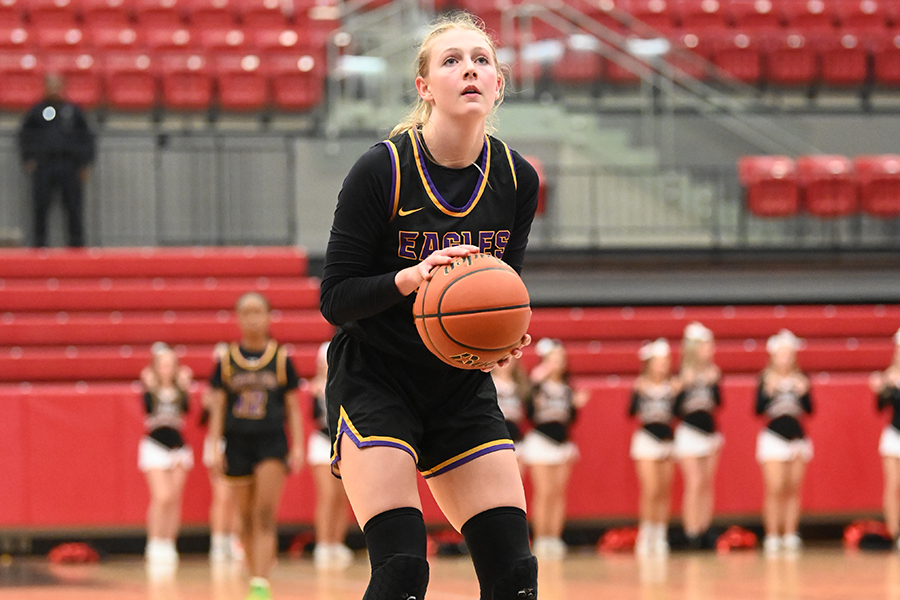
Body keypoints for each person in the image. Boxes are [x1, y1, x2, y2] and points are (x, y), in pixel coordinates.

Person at [319, 11, 540, 600]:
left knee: (515, 577)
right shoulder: (382, 169)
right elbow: (334, 299)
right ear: (424, 87)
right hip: (376, 378)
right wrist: (409, 278)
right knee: (402, 574)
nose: (469, 69)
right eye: (451, 60)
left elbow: (500, 286)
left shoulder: (517, 179)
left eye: (481, 60)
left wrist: (506, 332)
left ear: (498, 84)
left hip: (458, 382)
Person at [206, 292, 304, 600]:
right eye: (245, 312)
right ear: (237, 318)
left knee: (264, 513)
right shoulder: (226, 360)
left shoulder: (280, 358)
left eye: (257, 312)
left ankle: (261, 581)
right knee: (245, 516)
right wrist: (213, 445)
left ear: (268, 316)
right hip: (236, 441)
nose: (252, 318)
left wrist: (298, 445)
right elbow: (219, 407)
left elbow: (293, 407)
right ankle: (254, 576)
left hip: (271, 440)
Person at [518, 338, 588, 560]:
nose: (558, 364)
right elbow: (527, 412)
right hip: (540, 442)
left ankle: (555, 538)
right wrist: (535, 385)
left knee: (558, 494)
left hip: (562, 444)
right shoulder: (537, 386)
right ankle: (541, 538)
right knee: (544, 493)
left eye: (561, 360)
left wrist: (576, 405)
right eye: (553, 360)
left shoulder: (567, 389)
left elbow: (570, 419)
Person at [17, 73, 95, 248]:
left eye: (57, 86)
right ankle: (40, 247)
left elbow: (87, 137)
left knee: (73, 208)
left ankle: (77, 248)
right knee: (41, 207)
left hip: (69, 166)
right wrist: (28, 158)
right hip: (44, 166)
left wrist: (85, 163)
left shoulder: (73, 111)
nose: (54, 90)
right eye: (50, 86)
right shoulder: (36, 112)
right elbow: (24, 136)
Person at [756, 329, 813, 556]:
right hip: (773, 438)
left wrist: (804, 392)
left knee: (793, 489)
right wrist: (767, 392)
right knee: (775, 488)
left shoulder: (801, 378)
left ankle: (790, 533)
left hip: (797, 438)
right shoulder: (765, 378)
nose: (786, 358)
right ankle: (772, 535)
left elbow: (809, 410)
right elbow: (758, 410)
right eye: (782, 354)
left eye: (789, 354)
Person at [138, 342, 195, 565]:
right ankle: (154, 542)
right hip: (155, 444)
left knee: (174, 498)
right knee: (161, 496)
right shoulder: (150, 388)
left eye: (170, 364)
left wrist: (185, 387)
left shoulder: (180, 388)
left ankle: (170, 542)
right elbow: (148, 408)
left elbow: (187, 410)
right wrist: (148, 386)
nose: (166, 368)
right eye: (162, 364)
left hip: (178, 447)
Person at [673, 322, 723, 549]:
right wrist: (681, 386)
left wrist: (714, 382)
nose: (710, 350)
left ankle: (705, 529)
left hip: (710, 432)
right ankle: (691, 531)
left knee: (706, 484)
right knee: (693, 483)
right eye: (706, 346)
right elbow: (674, 410)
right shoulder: (682, 373)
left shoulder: (713, 372)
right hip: (688, 432)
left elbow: (718, 404)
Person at [629, 338, 680, 556]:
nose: (664, 365)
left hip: (667, 441)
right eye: (659, 361)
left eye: (666, 361)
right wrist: (639, 393)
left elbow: (679, 414)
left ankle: (660, 533)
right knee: (650, 490)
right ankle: (646, 532)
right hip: (647, 440)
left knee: (663, 491)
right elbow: (631, 412)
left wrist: (679, 393)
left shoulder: (674, 386)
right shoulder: (641, 385)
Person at [307, 341, 354, 570]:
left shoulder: (348, 382)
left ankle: (337, 542)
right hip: (322, 439)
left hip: (343, 440)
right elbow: (314, 416)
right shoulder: (316, 386)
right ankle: (323, 544)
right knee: (326, 494)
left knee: (342, 495)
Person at [200, 343, 245, 564]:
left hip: (238, 440)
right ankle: (218, 542)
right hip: (218, 442)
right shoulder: (213, 391)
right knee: (222, 496)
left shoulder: (243, 387)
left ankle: (235, 540)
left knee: (239, 495)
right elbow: (202, 420)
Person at [870, 328, 900, 547]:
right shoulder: (891, 375)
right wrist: (882, 389)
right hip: (894, 434)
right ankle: (895, 533)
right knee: (893, 484)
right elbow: (881, 407)